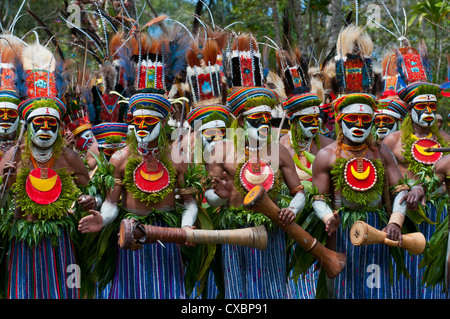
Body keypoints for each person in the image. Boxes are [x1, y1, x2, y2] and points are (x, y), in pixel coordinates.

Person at [311, 92, 424, 299]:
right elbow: (318, 198)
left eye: (366, 120)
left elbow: (399, 189)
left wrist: (395, 222)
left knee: (378, 288)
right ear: (340, 120)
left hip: (379, 227)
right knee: (346, 289)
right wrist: (329, 218)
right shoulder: (326, 155)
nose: (360, 124)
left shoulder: (381, 152)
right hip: (343, 229)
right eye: (353, 119)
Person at [0, 40, 90, 298]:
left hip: (60, 238)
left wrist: (89, 201)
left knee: (65, 292)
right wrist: (4, 187)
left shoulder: (69, 157)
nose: (45, 129)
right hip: (22, 240)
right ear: (27, 125)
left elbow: (91, 184)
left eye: (51, 124)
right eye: (39, 123)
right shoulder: (13, 155)